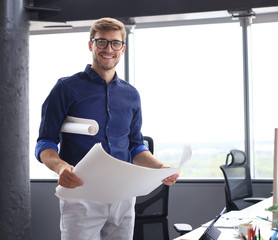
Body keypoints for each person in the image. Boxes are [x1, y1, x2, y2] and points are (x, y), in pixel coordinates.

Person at [35, 17, 180, 240]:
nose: (108, 49)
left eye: (115, 43)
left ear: (123, 48)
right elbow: (45, 143)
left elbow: (135, 146)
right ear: (90, 44)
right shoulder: (65, 88)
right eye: (101, 42)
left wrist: (161, 167)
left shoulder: (131, 95)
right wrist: (61, 168)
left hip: (124, 195)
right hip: (81, 194)